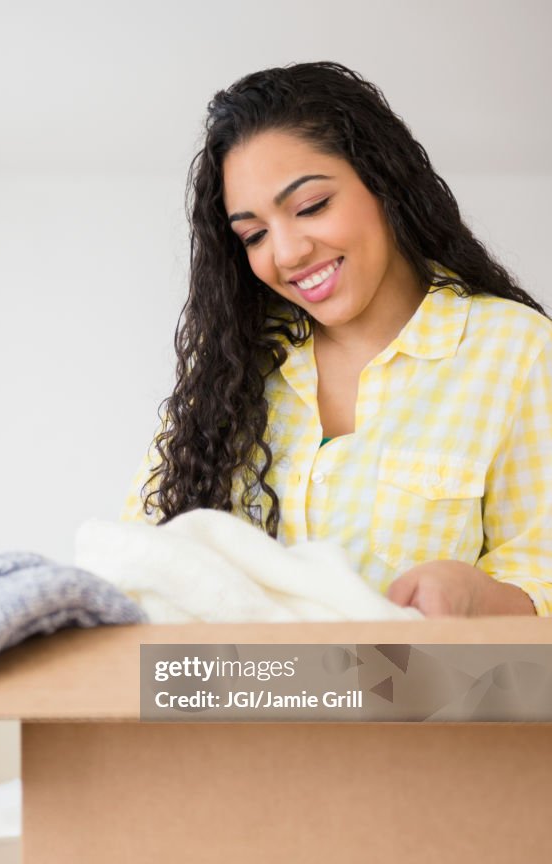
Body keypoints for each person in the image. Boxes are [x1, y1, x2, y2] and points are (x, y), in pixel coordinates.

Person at [121, 61, 552, 618]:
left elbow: (544, 571)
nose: (287, 253)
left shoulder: (515, 351)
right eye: (253, 235)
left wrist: (474, 596)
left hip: (420, 702)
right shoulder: (230, 369)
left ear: (384, 184)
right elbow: (140, 555)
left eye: (310, 207)